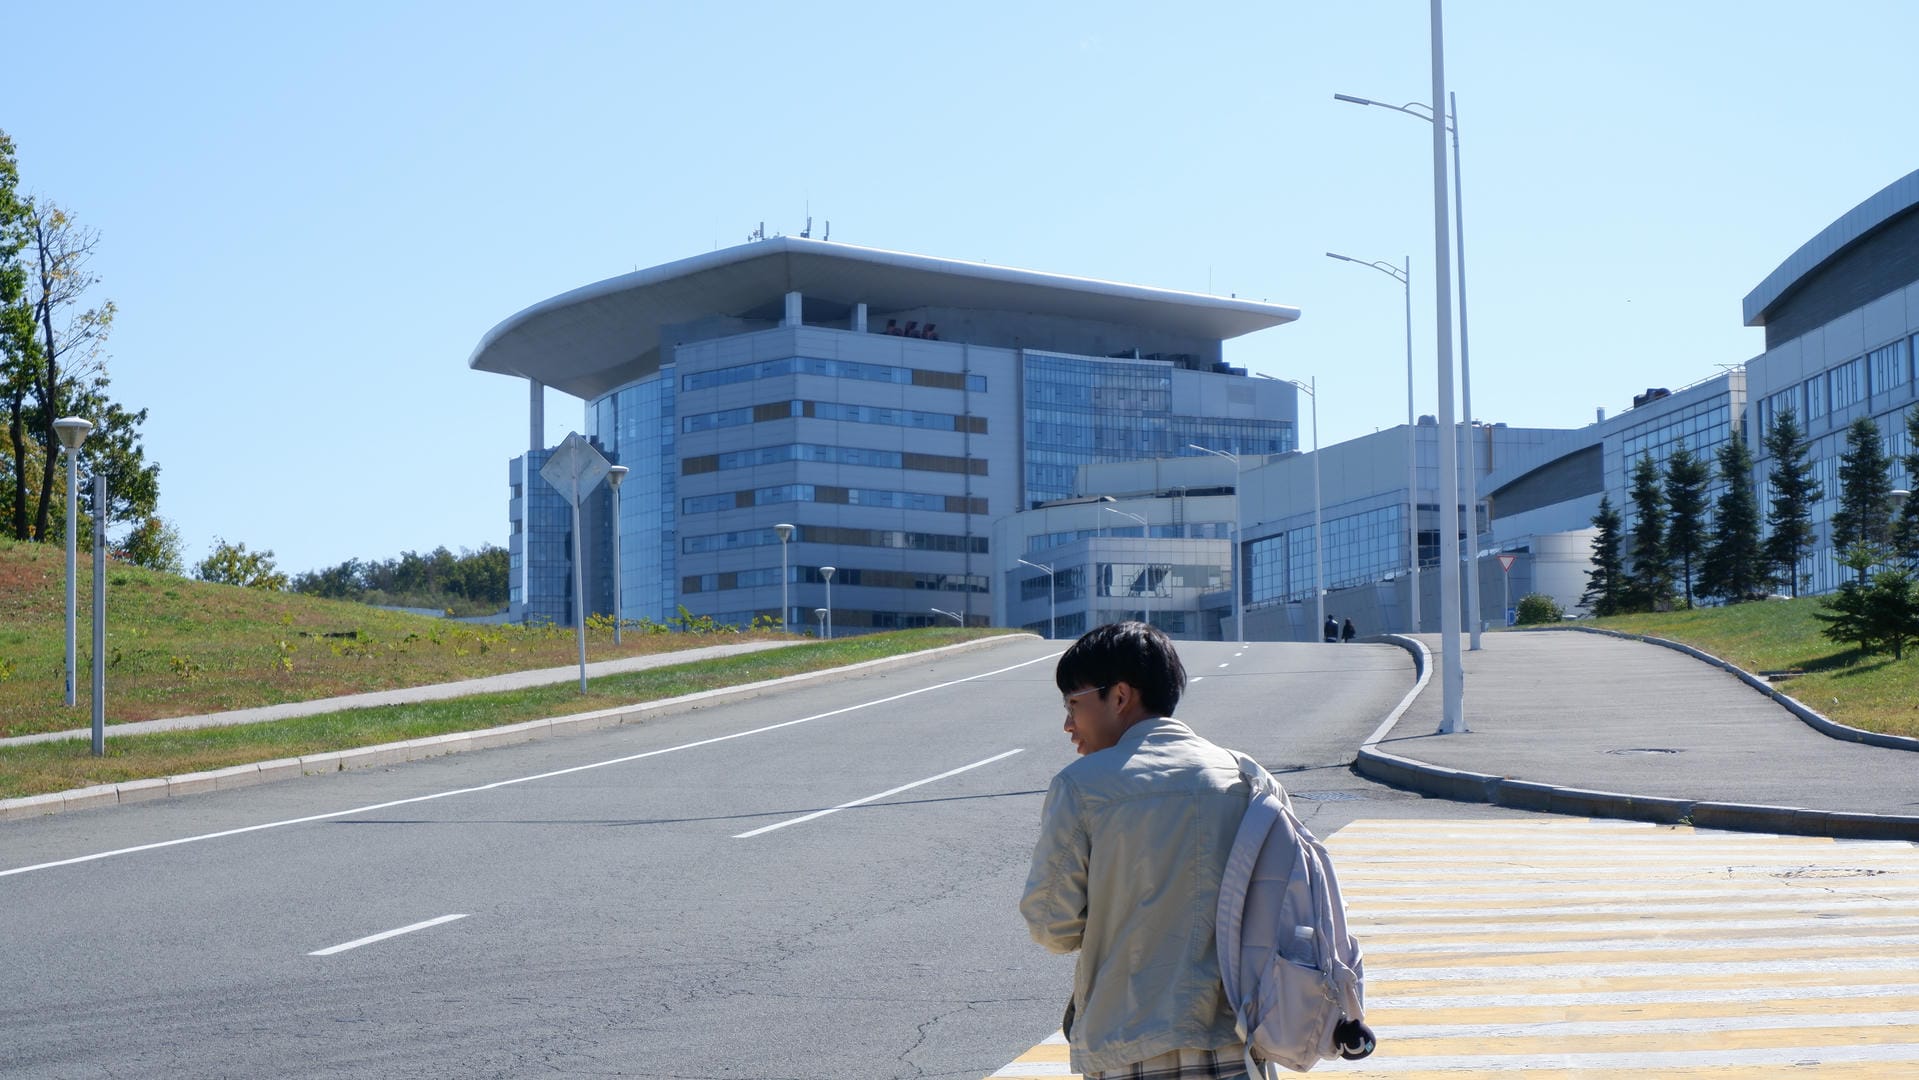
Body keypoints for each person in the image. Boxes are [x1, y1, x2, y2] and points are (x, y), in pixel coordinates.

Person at [1020, 621, 1250, 1078]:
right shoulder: (1246, 776)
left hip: (1130, 1041)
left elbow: (1051, 925)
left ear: (1120, 696)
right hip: (1238, 1038)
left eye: (1073, 703)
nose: (1068, 724)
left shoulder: (1083, 787)